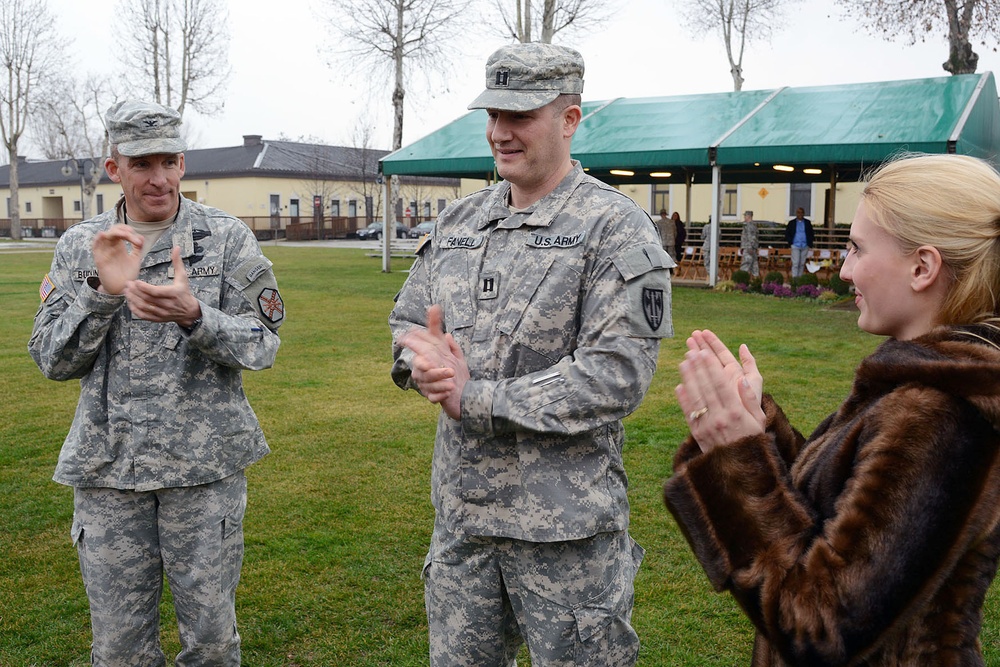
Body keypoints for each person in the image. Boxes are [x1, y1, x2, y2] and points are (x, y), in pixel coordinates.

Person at [389, 42, 673, 666]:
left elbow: (616, 373)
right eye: (493, 114)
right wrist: (422, 362)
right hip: (463, 522)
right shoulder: (460, 222)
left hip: (562, 533)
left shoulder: (615, 228)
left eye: (519, 116)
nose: (499, 132)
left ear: (570, 119)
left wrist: (476, 397)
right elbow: (408, 318)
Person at [664, 152, 1000, 666]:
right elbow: (847, 513)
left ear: (922, 267)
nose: (844, 270)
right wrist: (761, 432)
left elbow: (822, 625)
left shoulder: (943, 410)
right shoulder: (922, 383)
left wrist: (739, 461)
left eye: (857, 249)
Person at [28, 100, 284, 665]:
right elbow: (51, 358)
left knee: (213, 643)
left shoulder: (224, 237)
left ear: (183, 162)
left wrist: (196, 315)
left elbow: (263, 342)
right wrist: (100, 293)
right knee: (120, 648)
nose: (159, 178)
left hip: (203, 470)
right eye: (142, 163)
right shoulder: (81, 247)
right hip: (109, 472)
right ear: (114, 167)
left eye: (169, 161)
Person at [784, 206, 814, 278]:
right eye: (798, 212)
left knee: (802, 263)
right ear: (796, 214)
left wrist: (809, 243)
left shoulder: (807, 223)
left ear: (804, 214)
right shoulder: (792, 223)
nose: (800, 214)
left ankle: (799, 279)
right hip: (795, 245)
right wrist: (790, 242)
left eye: (801, 212)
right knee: (796, 263)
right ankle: (794, 279)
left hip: (805, 245)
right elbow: (787, 233)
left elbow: (811, 233)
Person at [739, 210, 759, 276]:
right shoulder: (753, 225)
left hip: (748, 248)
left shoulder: (749, 226)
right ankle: (755, 283)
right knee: (754, 267)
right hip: (751, 248)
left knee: (745, 266)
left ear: (749, 216)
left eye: (745, 215)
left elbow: (752, 238)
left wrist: (750, 247)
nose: (744, 217)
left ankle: (742, 282)